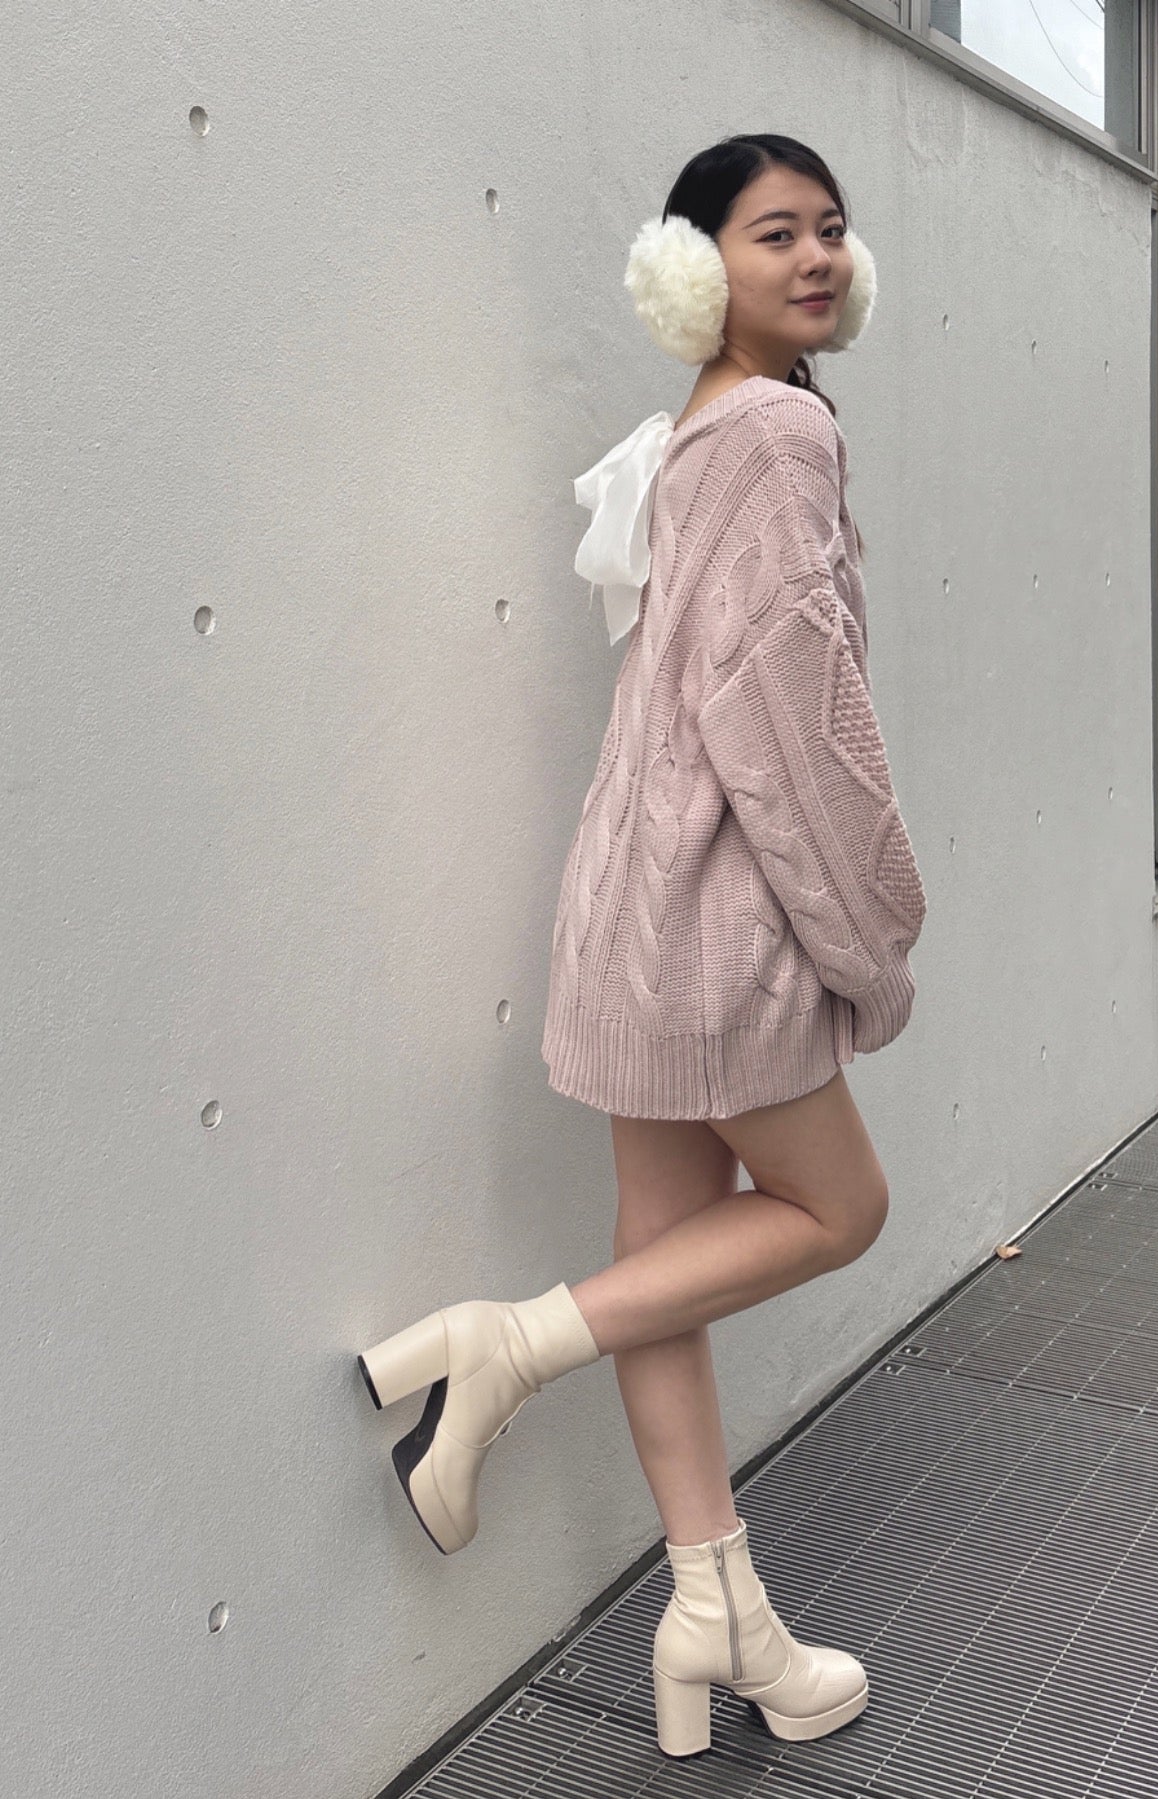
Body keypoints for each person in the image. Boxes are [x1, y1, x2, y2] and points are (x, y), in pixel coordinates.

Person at [357, 134, 927, 1760]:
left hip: (631, 906)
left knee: (660, 1265)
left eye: (830, 230)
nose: (814, 258)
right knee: (841, 1208)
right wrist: (876, 937)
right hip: (723, 924)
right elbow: (792, 723)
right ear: (695, 268)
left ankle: (716, 1615)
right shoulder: (780, 434)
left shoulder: (691, 436)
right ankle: (503, 1350)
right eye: (772, 233)